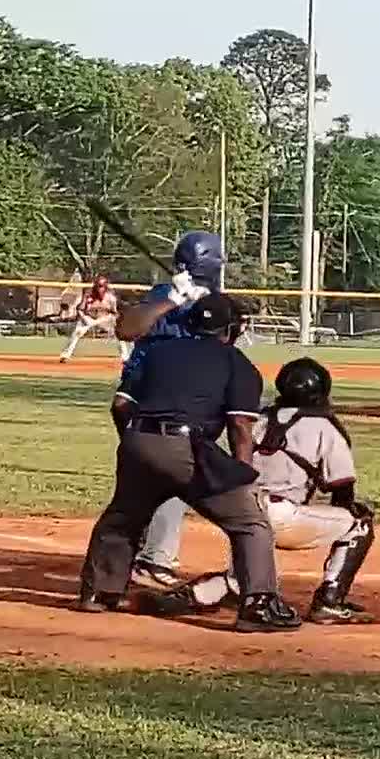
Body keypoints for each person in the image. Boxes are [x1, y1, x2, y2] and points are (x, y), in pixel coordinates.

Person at [75, 291, 301, 633]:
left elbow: (120, 405)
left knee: (123, 516)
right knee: (250, 523)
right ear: (231, 330)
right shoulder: (236, 363)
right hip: (186, 448)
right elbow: (240, 425)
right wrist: (243, 474)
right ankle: (258, 604)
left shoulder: (158, 352)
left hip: (137, 440)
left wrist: (137, 444)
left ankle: (98, 593)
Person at [142, 358, 375, 625]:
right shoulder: (325, 426)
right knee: (360, 522)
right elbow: (343, 490)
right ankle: (330, 602)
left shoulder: (260, 419)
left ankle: (189, 596)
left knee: (243, 581)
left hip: (241, 510)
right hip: (282, 515)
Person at [115, 232, 226, 590]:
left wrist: (202, 306)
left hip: (185, 397)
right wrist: (174, 299)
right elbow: (126, 328)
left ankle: (140, 558)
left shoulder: (213, 302)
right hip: (150, 397)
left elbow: (226, 341)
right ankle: (151, 560)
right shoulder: (164, 294)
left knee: (155, 478)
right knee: (170, 474)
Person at [59, 276, 127, 363]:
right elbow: (79, 309)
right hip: (89, 318)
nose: (99, 288)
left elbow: (115, 313)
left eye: (101, 286)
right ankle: (66, 355)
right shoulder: (88, 296)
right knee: (77, 332)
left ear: (105, 287)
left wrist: (111, 320)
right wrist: (84, 318)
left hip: (104, 318)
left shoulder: (111, 298)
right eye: (98, 286)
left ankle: (125, 357)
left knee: (118, 333)